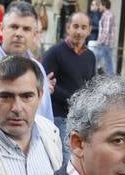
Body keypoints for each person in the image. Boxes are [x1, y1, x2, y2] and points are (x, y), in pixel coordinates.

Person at [0, 1, 56, 125]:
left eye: (26, 29)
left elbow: (46, 117)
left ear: (34, 34)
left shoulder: (38, 69)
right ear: (1, 29)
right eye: (14, 27)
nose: (19, 33)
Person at [41, 11, 97, 153]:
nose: (79, 31)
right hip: (58, 116)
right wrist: (74, 99)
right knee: (65, 157)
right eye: (75, 26)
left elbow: (91, 85)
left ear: (89, 30)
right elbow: (45, 84)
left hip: (80, 117)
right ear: (68, 28)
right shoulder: (54, 53)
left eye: (83, 27)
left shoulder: (90, 56)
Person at [90, 0, 116, 75]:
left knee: (97, 61)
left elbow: (106, 31)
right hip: (106, 44)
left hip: (104, 44)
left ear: (104, 6)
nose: (99, 7)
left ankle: (93, 77)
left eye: (100, 5)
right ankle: (94, 76)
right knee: (106, 62)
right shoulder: (109, 15)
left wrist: (100, 41)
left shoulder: (107, 15)